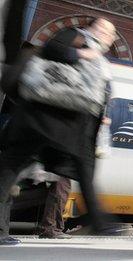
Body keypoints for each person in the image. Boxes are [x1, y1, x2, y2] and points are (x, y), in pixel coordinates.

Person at [0, 17, 118, 245]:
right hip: (44, 118)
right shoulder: (78, 36)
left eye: (110, 33)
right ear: (91, 27)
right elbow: (54, 49)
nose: (107, 35)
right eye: (103, 29)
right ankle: (97, 219)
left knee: (82, 167)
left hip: (61, 122)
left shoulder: (97, 54)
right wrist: (85, 54)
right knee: (10, 168)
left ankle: (98, 219)